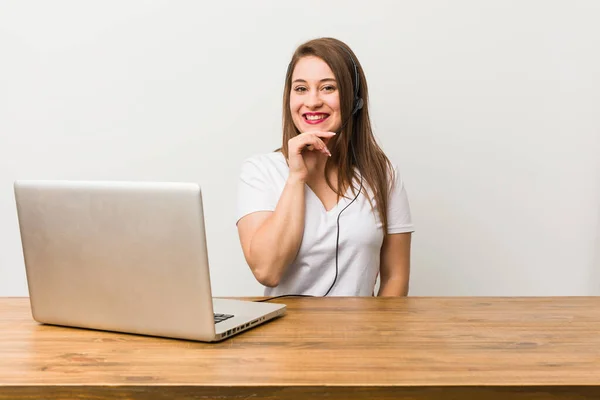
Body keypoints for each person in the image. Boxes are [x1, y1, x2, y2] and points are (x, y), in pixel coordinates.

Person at [235, 37, 414, 298]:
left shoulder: (383, 174)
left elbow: (395, 277)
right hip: (283, 338)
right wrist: (296, 176)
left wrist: (379, 336)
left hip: (362, 337)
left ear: (355, 100)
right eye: (301, 89)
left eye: (328, 88)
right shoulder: (260, 171)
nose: (313, 101)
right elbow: (267, 271)